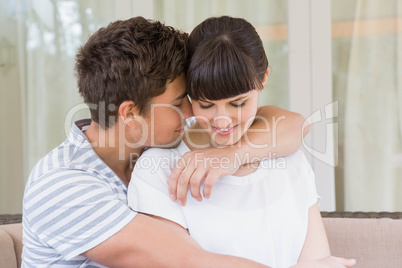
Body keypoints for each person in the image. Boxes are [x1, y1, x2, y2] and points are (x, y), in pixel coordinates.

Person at [22, 16, 310, 267]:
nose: (191, 112)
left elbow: (293, 126)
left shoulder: (153, 142)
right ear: (130, 113)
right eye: (178, 102)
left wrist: (235, 153)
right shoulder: (62, 185)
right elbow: (191, 263)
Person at [128, 16, 356, 268]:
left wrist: (232, 155)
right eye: (205, 105)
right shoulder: (160, 169)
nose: (223, 121)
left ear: (264, 79)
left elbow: (318, 261)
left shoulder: (287, 156)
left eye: (238, 103)